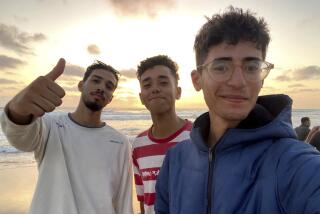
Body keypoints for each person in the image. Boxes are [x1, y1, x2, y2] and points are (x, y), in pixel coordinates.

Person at [155, 7, 320, 214]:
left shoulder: (293, 163)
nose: (238, 82)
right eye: (221, 67)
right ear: (198, 80)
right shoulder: (175, 161)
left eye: (251, 67)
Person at [0, 59, 133, 214]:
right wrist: (18, 109)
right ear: (81, 85)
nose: (101, 88)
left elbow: (123, 201)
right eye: (96, 81)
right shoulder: (50, 125)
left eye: (109, 86)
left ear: (110, 98)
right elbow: (21, 139)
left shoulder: (120, 142)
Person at [132, 55, 192, 214]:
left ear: (178, 92)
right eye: (147, 84)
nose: (155, 89)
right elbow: (144, 199)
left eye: (163, 82)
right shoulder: (138, 144)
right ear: (141, 98)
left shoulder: (198, 137)